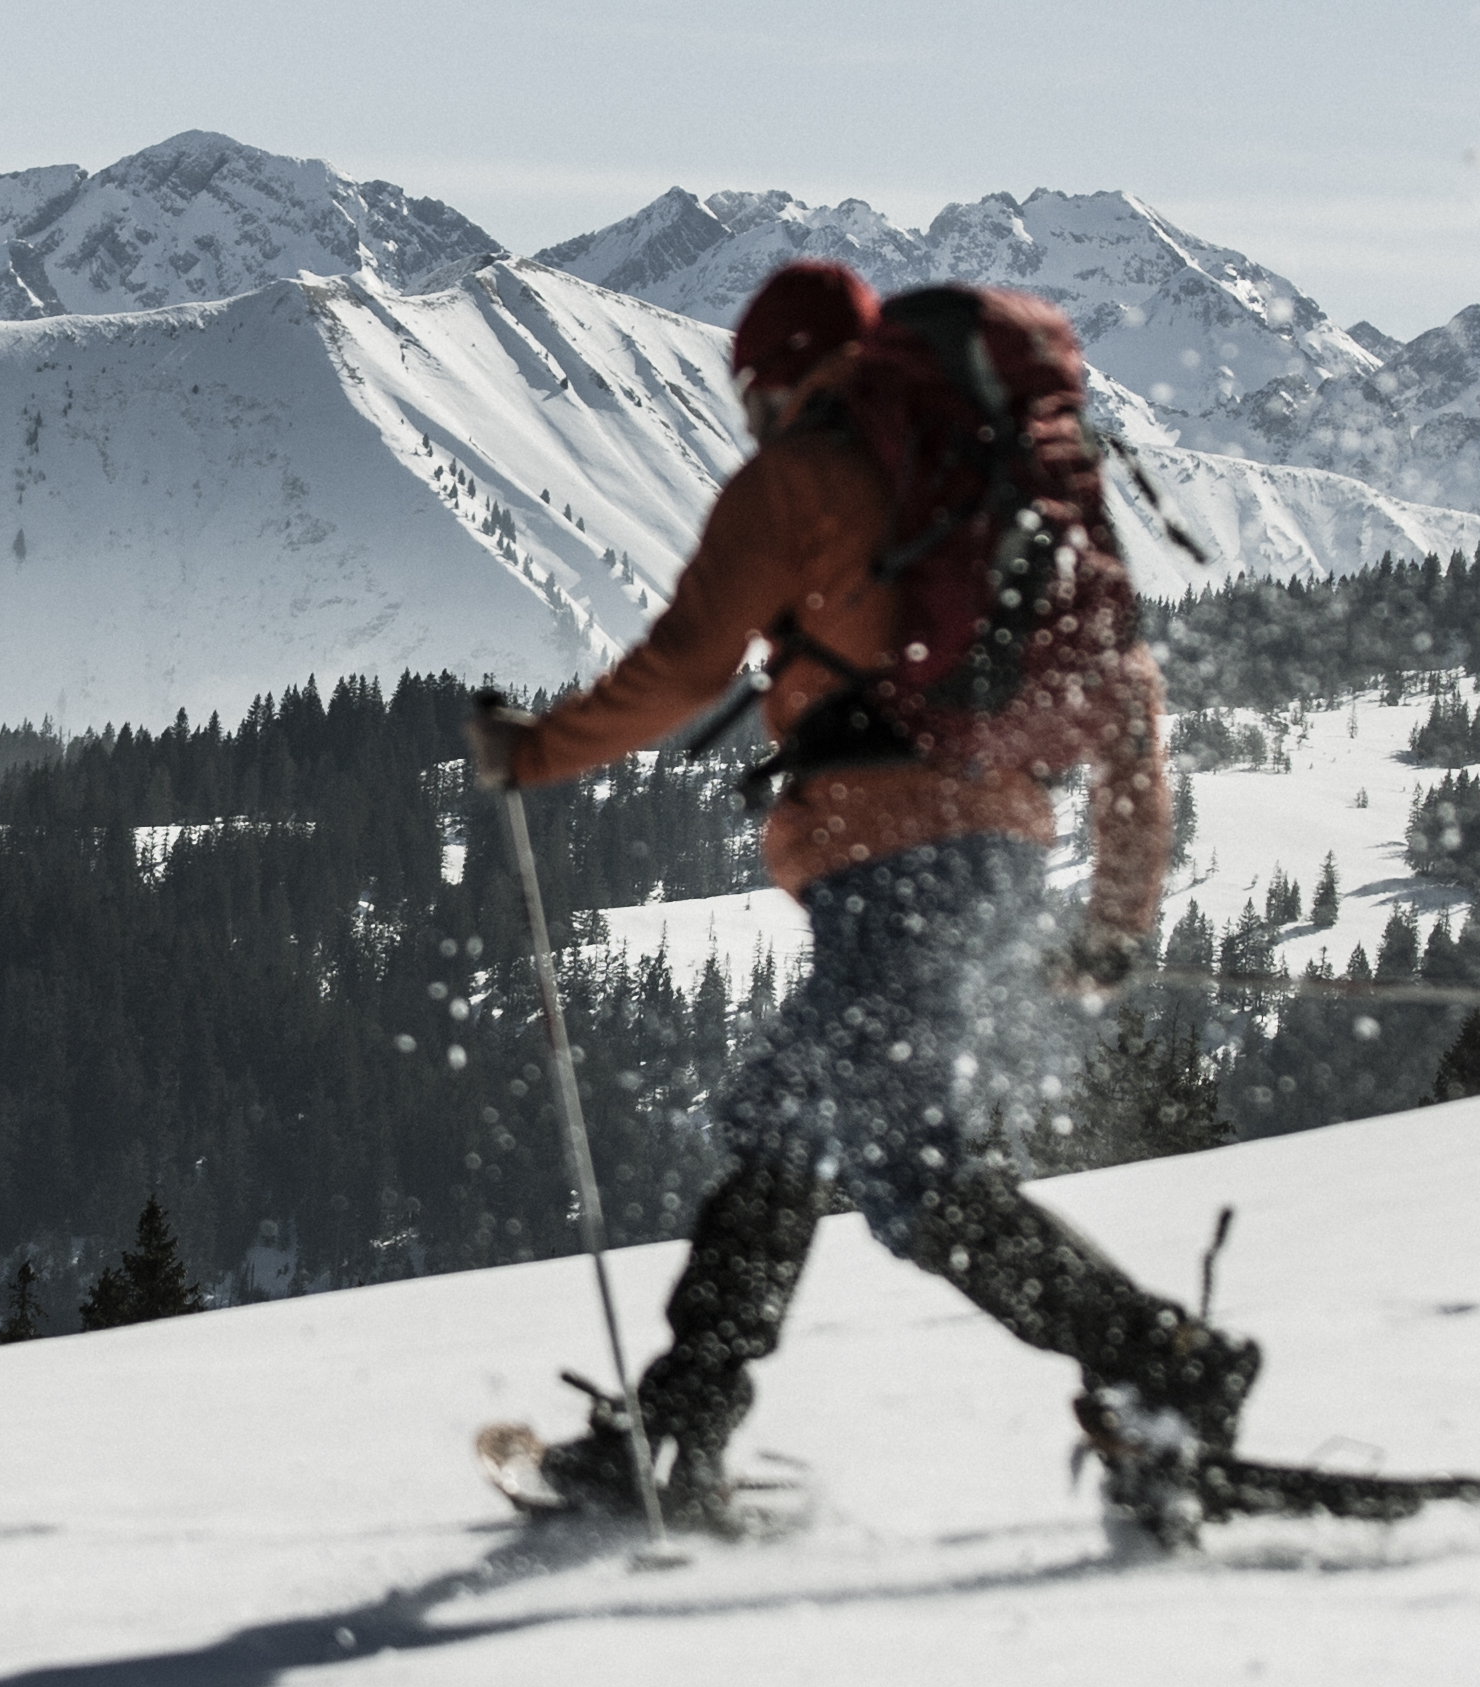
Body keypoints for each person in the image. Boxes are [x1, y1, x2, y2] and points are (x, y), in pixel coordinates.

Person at [472, 258, 1255, 1525]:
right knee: (796, 1128)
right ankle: (679, 1421)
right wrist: (1115, 915)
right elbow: (1129, 715)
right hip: (995, 857)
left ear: (771, 379)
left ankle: (1165, 1364)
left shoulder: (807, 474)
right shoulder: (1011, 491)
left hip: (887, 868)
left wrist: (534, 753)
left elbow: (682, 669)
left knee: (902, 1174)